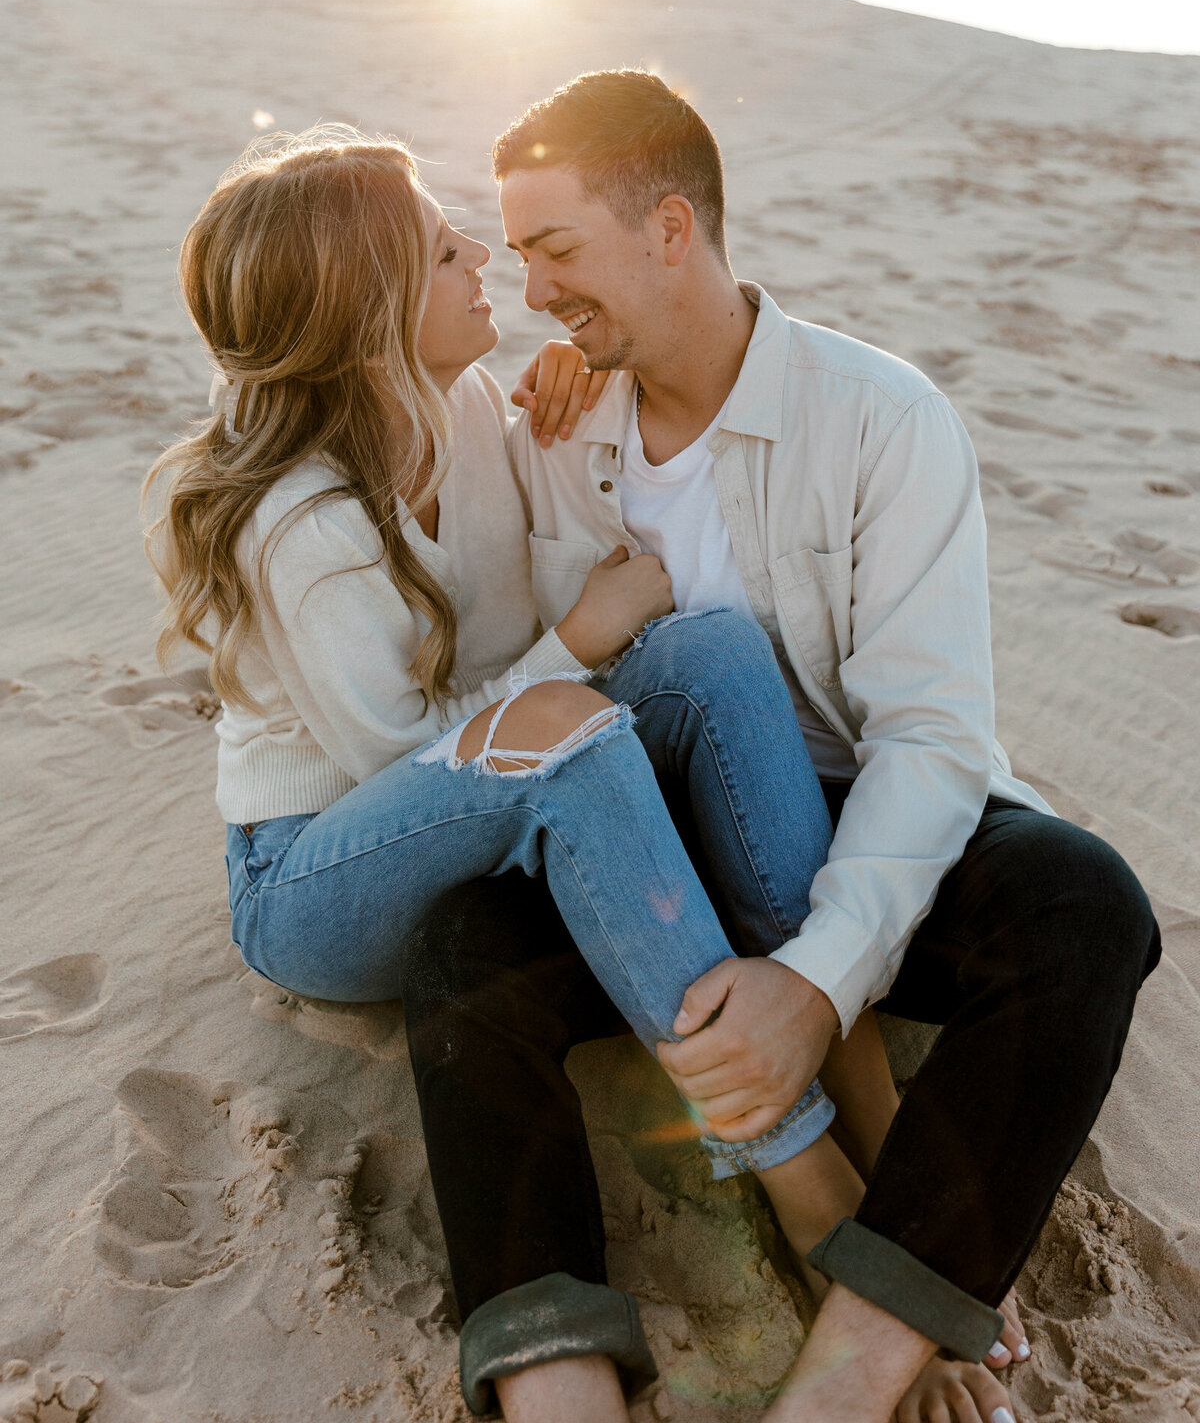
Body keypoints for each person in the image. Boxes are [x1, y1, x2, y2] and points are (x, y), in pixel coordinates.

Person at [401, 72, 1162, 1423]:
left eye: (558, 249)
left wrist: (816, 982)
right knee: (463, 945)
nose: (533, 292)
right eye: (514, 256)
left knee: (1083, 904)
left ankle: (856, 1363)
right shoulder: (555, 433)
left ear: (672, 226)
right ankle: (552, 1369)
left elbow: (931, 737)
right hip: (651, 846)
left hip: (868, 816)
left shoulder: (880, 417)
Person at [142, 125, 914, 1416]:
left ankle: (823, 1021)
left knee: (713, 650)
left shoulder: (471, 406)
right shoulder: (303, 521)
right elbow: (417, 755)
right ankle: (793, 1161)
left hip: (481, 774)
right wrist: (586, 638)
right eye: (446, 254)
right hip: (322, 871)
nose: (487, 267)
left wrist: (566, 436)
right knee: (571, 734)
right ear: (372, 311)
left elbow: (538, 604)